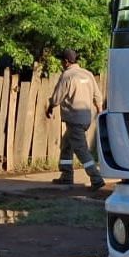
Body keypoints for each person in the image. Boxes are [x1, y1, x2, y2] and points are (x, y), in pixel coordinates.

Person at [45, 48, 105, 190]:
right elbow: (98, 96)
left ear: (66, 62)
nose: (61, 63)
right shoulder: (87, 74)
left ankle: (96, 178)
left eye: (61, 61)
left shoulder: (68, 76)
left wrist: (50, 107)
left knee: (81, 149)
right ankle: (66, 176)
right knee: (66, 144)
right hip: (85, 119)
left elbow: (56, 98)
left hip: (74, 119)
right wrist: (100, 111)